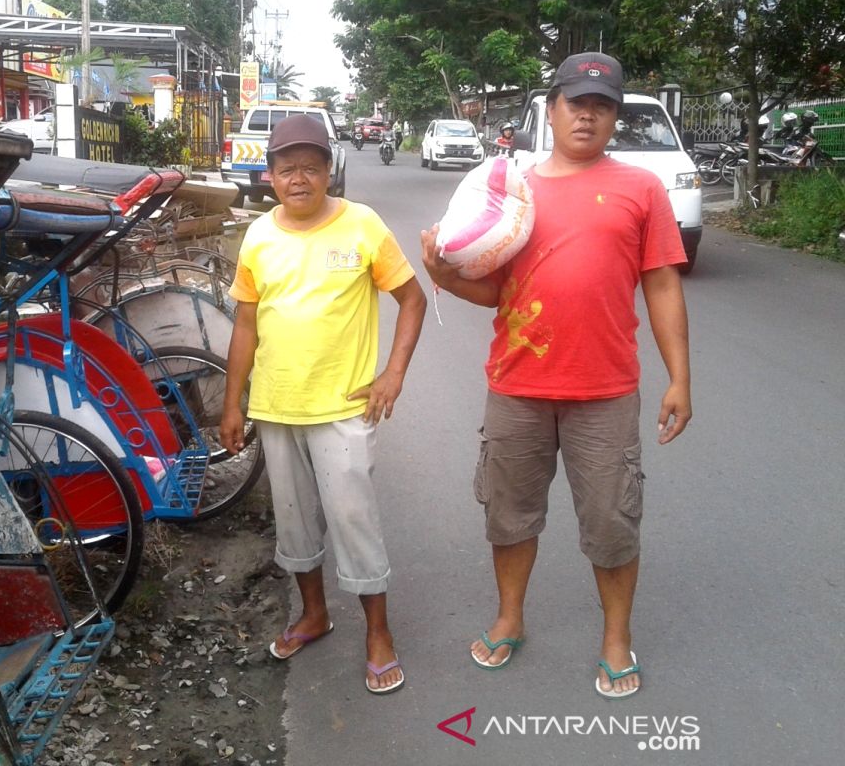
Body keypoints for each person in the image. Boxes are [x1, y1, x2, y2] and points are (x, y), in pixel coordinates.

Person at [420, 51, 691, 699]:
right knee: (509, 516)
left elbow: (660, 285)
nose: (588, 115)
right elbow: (496, 295)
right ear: (552, 108)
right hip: (517, 388)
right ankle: (511, 617)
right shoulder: (512, 191)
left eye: (602, 105)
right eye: (577, 102)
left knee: (612, 522)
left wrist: (681, 376)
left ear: (614, 117)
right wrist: (445, 277)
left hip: (606, 394)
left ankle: (616, 637)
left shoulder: (641, 190)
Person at [220, 113, 427, 695]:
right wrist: (233, 404)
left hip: (342, 407)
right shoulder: (258, 235)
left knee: (354, 519)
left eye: (312, 167)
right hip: (277, 406)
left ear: (329, 172)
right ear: (270, 176)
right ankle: (314, 613)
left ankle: (378, 633)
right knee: (294, 520)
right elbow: (244, 321)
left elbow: (412, 299)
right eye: (288, 169)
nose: (300, 178)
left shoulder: (362, 225)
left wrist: (393, 374)